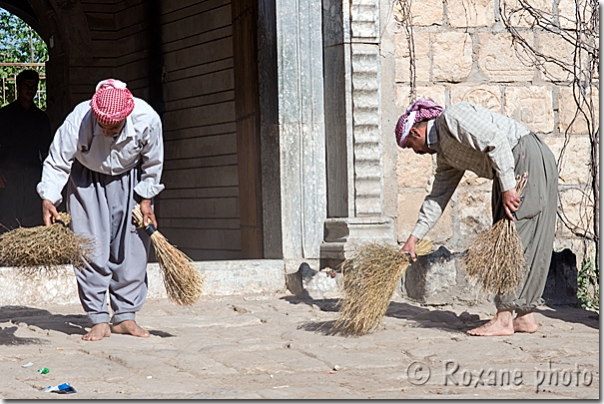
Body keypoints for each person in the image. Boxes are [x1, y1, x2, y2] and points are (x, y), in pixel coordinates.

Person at [397, 99, 558, 336]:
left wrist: (508, 188)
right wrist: (414, 238)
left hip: (523, 158)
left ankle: (504, 318)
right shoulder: (446, 156)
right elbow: (438, 198)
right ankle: (525, 316)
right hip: (516, 164)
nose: (416, 152)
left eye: (411, 145)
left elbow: (496, 141)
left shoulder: (452, 118)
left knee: (513, 240)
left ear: (415, 132)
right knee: (526, 237)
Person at [37, 79, 165, 341]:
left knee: (132, 247)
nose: (108, 132)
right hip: (87, 180)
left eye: (114, 127)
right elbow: (58, 160)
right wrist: (49, 198)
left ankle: (125, 316)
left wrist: (146, 199)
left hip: (130, 180)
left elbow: (153, 161)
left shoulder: (147, 118)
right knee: (90, 246)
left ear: (126, 116)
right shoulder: (80, 118)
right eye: (103, 127)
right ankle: (98, 318)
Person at [0, 70, 52, 232]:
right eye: (26, 86)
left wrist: (48, 178)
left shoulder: (41, 118)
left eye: (33, 86)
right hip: (8, 175)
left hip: (33, 175)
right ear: (18, 88)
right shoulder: (4, 115)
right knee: (8, 219)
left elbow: (45, 152)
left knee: (32, 219)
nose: (30, 90)